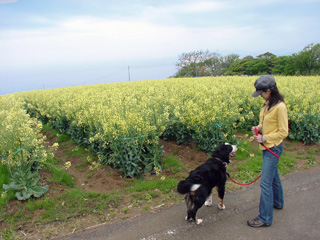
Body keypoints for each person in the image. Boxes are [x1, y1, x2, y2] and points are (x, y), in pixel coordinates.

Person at [247, 75, 289, 228]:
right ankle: (278, 203)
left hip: (273, 147)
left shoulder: (280, 107)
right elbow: (265, 123)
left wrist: (264, 138)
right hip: (267, 146)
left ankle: (264, 218)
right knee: (274, 178)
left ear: (269, 90)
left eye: (261, 93)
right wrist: (258, 128)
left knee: (265, 183)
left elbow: (284, 132)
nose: (260, 96)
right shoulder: (267, 104)